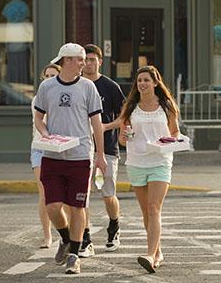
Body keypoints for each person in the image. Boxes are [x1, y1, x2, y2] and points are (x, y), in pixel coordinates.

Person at [33, 43, 107, 275]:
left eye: (84, 59)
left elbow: (96, 124)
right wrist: (46, 134)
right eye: (80, 59)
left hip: (79, 157)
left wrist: (100, 155)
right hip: (52, 155)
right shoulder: (47, 87)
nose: (84, 63)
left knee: (77, 206)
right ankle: (65, 239)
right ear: (66, 61)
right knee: (53, 206)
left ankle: (74, 255)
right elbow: (38, 117)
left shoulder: (87, 87)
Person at [118, 65, 180, 274]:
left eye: (146, 80)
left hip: (160, 161)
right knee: (146, 212)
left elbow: (175, 132)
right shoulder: (130, 106)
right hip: (136, 163)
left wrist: (167, 142)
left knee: (154, 208)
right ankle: (158, 252)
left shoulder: (166, 105)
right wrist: (125, 137)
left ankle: (150, 254)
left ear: (155, 83)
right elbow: (122, 139)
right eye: (139, 81)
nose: (142, 84)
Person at [78, 44, 125, 258]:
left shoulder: (110, 87)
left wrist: (105, 127)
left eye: (91, 59)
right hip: (80, 149)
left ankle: (114, 227)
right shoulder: (76, 85)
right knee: (82, 197)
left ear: (100, 61)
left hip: (106, 149)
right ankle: (85, 238)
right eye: (84, 59)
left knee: (107, 195)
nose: (88, 63)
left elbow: (124, 116)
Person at [31, 63, 61, 249]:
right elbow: (40, 122)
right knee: (44, 193)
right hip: (40, 148)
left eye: (53, 75)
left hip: (62, 148)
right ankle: (47, 236)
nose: (49, 79)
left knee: (64, 195)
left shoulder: (65, 96)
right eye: (47, 76)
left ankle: (66, 233)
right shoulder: (37, 99)